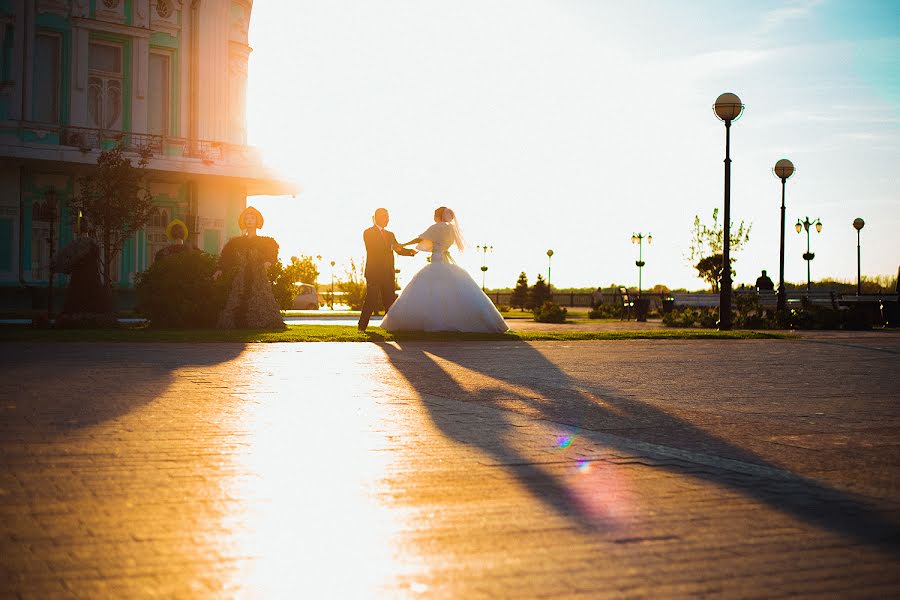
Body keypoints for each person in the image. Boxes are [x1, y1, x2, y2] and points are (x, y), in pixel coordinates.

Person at [380, 207, 508, 333]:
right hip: (445, 260)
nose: (433, 218)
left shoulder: (437, 226)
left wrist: (403, 245)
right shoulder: (452, 229)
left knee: (430, 292)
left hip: (437, 261)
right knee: (450, 293)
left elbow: (420, 238)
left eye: (434, 215)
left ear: (438, 216)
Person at [357, 208, 417, 331]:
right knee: (371, 299)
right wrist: (392, 246)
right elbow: (373, 248)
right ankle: (361, 327)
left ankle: (388, 327)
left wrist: (410, 252)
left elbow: (397, 249)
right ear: (377, 217)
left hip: (388, 273)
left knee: (389, 302)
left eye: (388, 217)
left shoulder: (390, 234)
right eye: (385, 216)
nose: (388, 219)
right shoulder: (368, 232)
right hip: (374, 272)